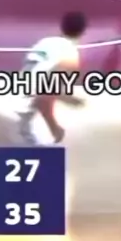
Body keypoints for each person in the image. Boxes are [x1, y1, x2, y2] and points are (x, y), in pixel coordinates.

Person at [14, 11, 87, 146]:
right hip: (22, 119)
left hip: (8, 106)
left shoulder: (44, 43)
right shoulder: (70, 57)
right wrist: (54, 128)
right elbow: (44, 96)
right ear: (83, 31)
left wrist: (63, 97)